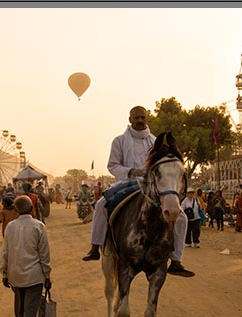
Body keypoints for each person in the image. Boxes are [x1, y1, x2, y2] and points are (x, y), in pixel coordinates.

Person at [82, 105, 193, 277]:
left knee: (181, 216)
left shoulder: (154, 141)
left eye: (143, 117)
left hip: (151, 184)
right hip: (127, 182)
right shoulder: (119, 141)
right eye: (137, 118)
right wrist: (132, 171)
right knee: (101, 204)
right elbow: (112, 165)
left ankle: (176, 260)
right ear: (130, 120)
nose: (140, 121)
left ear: (146, 119)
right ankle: (95, 247)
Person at [0, 195, 52, 317]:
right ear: (32, 209)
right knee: (27, 311)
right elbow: (44, 254)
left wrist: (4, 272)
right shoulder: (39, 226)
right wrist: (47, 275)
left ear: (16, 210)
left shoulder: (10, 227)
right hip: (34, 275)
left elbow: (5, 252)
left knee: (21, 310)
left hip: (16, 275)